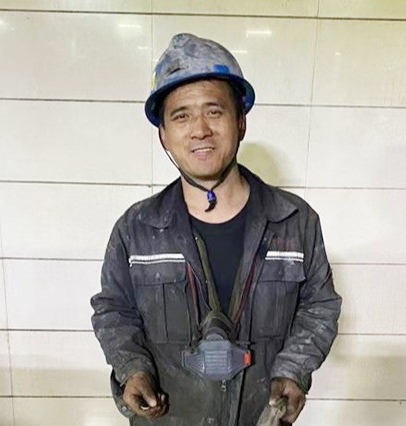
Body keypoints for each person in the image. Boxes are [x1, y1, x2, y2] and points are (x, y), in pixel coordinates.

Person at [91, 33, 341, 425]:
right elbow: (114, 310)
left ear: (240, 122)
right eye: (181, 116)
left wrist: (294, 369)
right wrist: (132, 367)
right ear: (163, 135)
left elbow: (319, 306)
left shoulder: (295, 222)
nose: (200, 130)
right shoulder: (136, 230)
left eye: (214, 111)